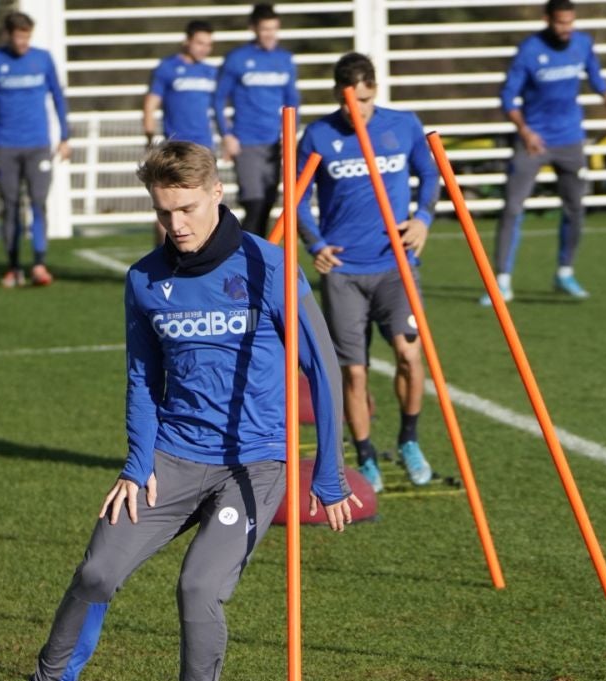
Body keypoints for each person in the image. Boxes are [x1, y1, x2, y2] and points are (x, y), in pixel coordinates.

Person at [0, 140, 359, 681]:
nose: (175, 224)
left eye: (185, 208)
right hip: (172, 458)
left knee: (199, 587)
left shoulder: (272, 268)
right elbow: (142, 378)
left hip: (256, 463)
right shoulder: (146, 279)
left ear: (216, 193)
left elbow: (323, 370)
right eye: (162, 212)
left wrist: (328, 474)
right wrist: (135, 462)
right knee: (96, 572)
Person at [296, 52, 439, 493]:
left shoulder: (403, 125)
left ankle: (410, 439)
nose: (353, 111)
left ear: (373, 90)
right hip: (343, 272)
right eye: (346, 103)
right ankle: (364, 453)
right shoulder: (319, 135)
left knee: (409, 354)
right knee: (353, 372)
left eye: (361, 100)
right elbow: (299, 198)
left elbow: (429, 175)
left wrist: (422, 219)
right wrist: (315, 244)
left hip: (396, 266)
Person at [482, 0, 606, 304]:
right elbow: (508, 96)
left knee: (575, 208)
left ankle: (564, 272)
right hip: (534, 141)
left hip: (571, 140)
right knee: (512, 207)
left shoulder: (583, 43)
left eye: (570, 22)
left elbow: (597, 78)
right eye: (561, 23)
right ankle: (502, 281)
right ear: (548, 19)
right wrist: (525, 131)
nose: (566, 29)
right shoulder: (529, 50)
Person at [0, 11, 71, 288]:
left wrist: (65, 136)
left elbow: (58, 97)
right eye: (18, 36)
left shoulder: (42, 59)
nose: (23, 42)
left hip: (38, 145)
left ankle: (39, 263)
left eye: (27, 36)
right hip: (6, 145)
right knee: (11, 206)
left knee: (38, 202)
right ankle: (13, 267)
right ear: (7, 35)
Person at [213, 3, 299, 236]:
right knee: (254, 202)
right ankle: (242, 255)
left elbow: (292, 101)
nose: (270, 34)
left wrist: (290, 136)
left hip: (274, 143)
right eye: (264, 29)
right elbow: (219, 99)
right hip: (246, 141)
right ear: (253, 28)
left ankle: (261, 257)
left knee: (268, 203)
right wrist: (227, 135)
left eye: (274, 29)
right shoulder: (237, 59)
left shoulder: (285, 59)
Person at [143, 20, 218, 244]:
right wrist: (149, 137)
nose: (204, 49)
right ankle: (163, 253)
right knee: (169, 203)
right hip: (174, 148)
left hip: (204, 148)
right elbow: (150, 103)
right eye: (200, 43)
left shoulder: (210, 72)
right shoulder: (167, 68)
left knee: (205, 203)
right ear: (187, 41)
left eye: (208, 44)